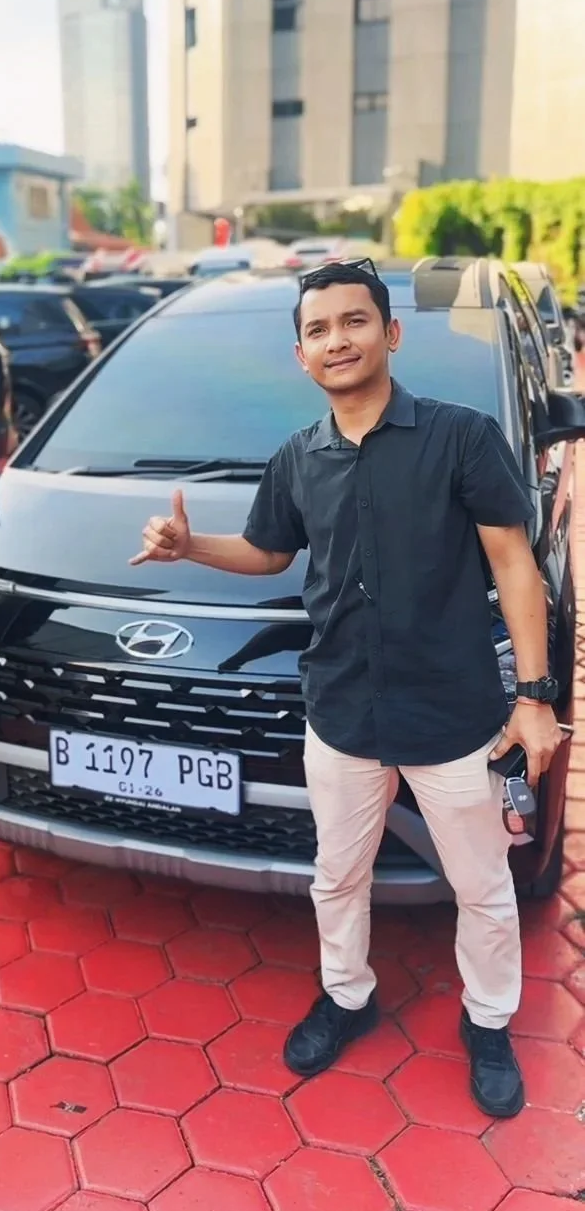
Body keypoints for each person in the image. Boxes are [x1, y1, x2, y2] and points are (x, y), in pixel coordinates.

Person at [131, 259, 561, 1119]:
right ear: (301, 354)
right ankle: (347, 994)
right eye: (319, 329)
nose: (338, 339)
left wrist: (535, 694)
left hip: (453, 711)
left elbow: (514, 563)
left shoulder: (460, 437)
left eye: (353, 321)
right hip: (340, 712)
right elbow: (268, 553)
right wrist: (189, 545)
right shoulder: (297, 458)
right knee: (337, 875)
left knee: (480, 883)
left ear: (389, 333)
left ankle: (486, 1021)